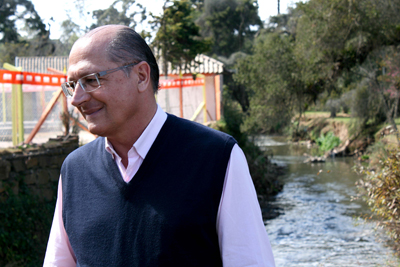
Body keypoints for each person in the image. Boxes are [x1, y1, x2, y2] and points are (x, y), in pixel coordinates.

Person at [44, 25, 275, 267]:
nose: (76, 99)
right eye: (72, 85)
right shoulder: (74, 171)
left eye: (91, 80)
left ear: (141, 76)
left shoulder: (218, 158)